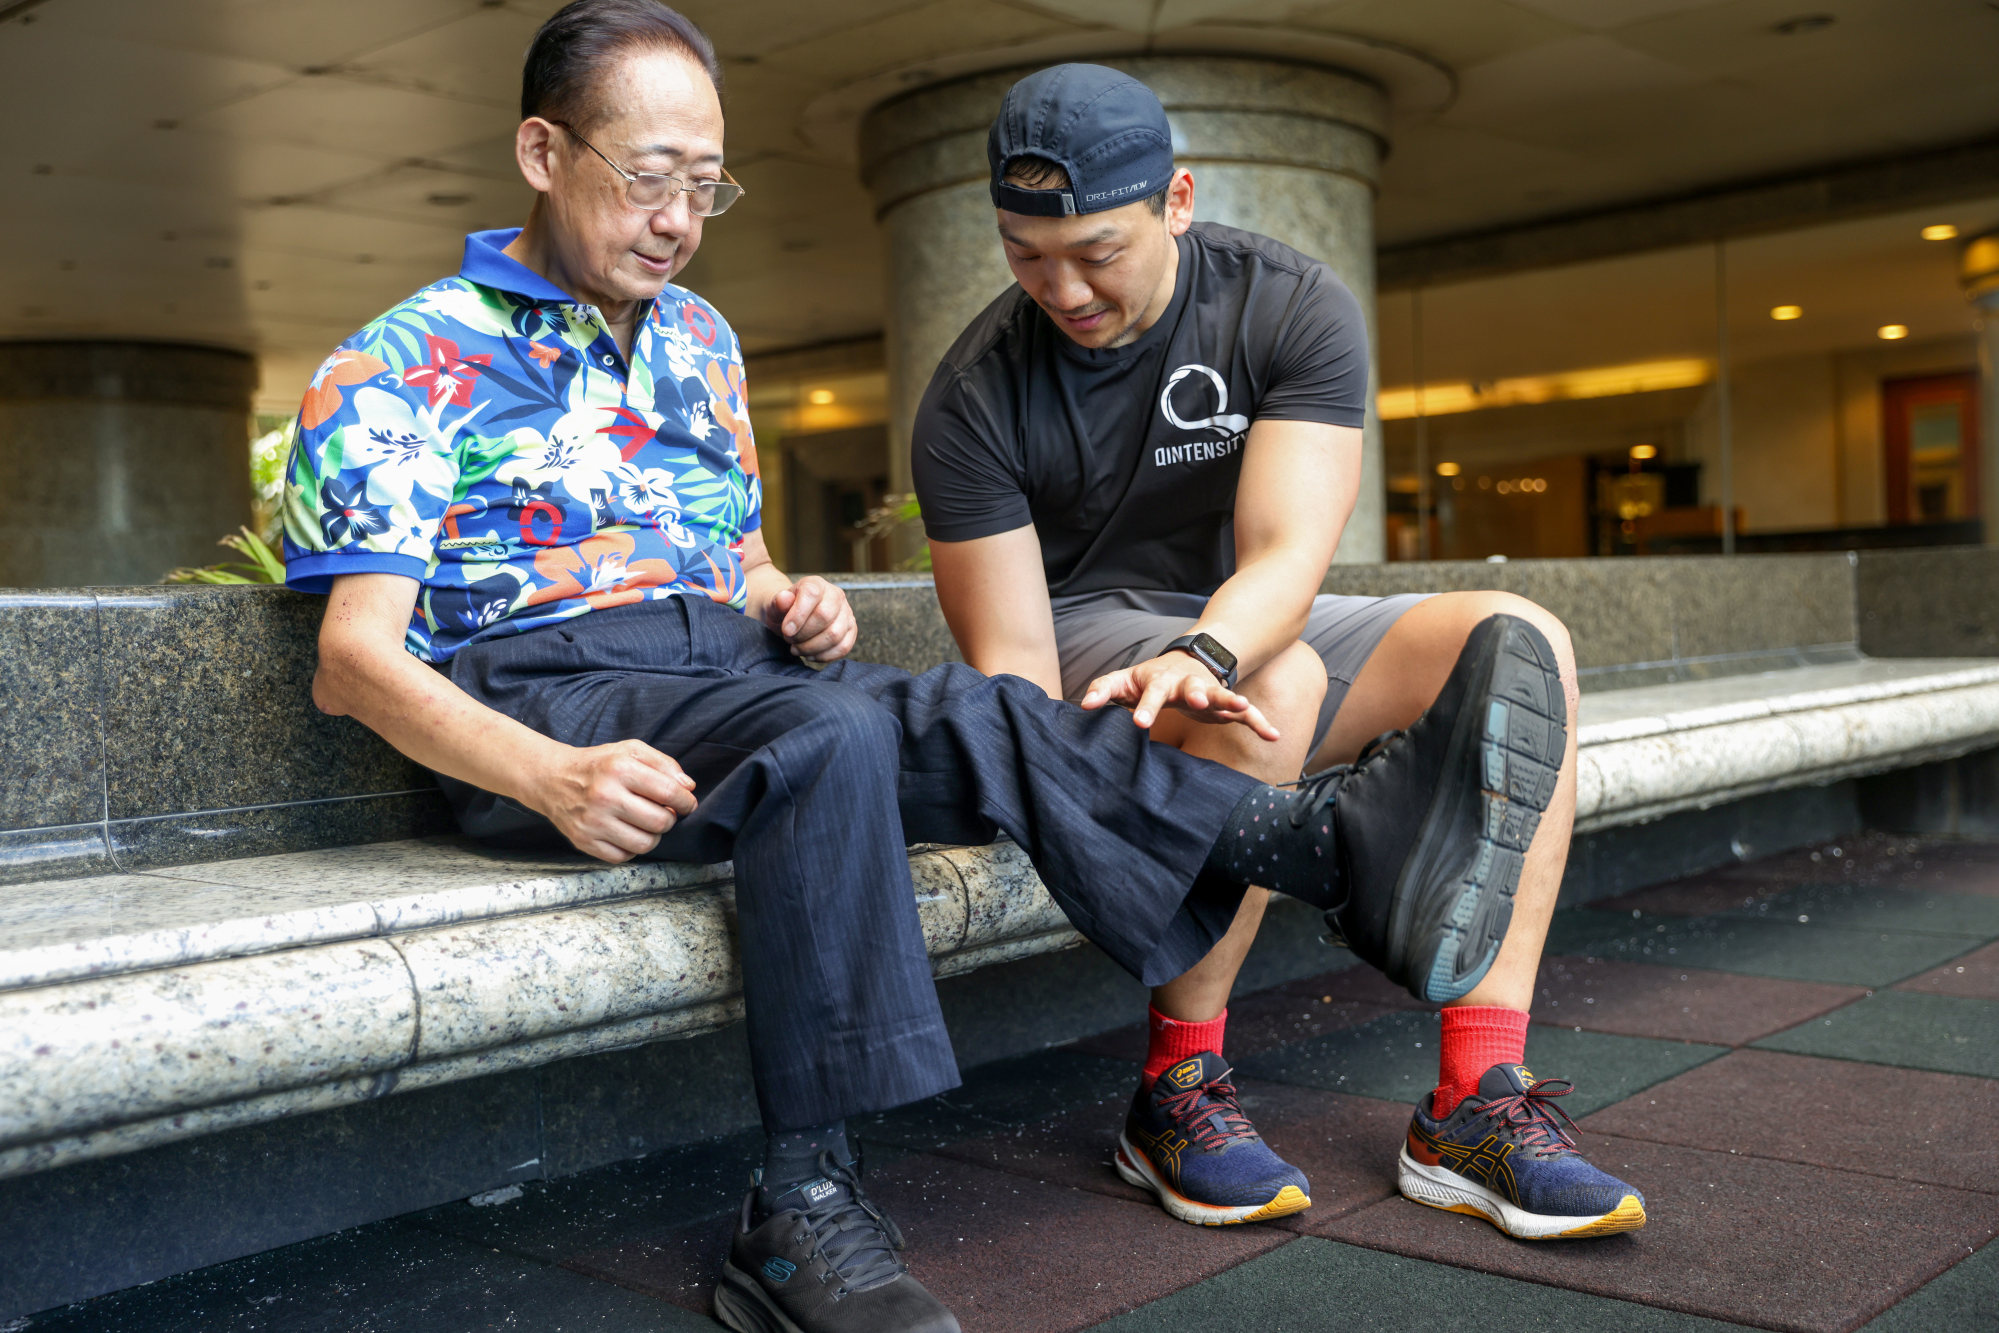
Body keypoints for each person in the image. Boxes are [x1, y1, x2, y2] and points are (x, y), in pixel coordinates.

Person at [913, 63, 1646, 1242]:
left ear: (1179, 200)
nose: (1062, 288)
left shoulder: (1287, 302)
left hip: (1241, 611)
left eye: (1096, 251)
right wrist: (1169, 692)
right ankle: (1176, 1089)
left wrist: (1205, 646)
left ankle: (1473, 1099)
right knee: (1276, 678)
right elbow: (1009, 669)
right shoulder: (973, 394)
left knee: (1525, 644)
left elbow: (1288, 555)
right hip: (1084, 643)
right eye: (1023, 252)